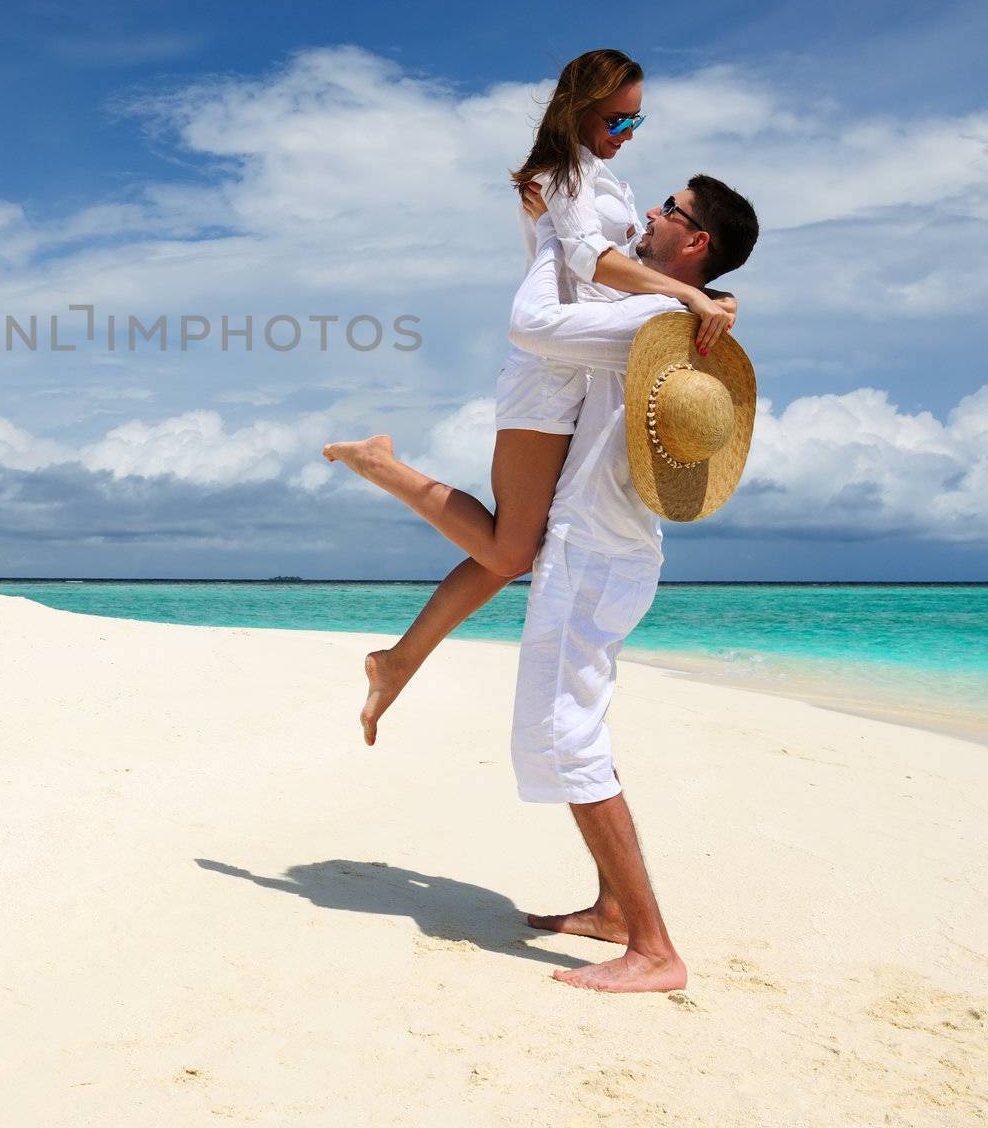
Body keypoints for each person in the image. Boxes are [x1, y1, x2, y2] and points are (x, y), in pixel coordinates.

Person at [323, 174, 760, 993]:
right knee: (568, 715)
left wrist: (557, 235)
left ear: (696, 243)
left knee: (570, 740)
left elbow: (537, 327)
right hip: (612, 552)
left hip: (593, 556)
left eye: (670, 211)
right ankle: (613, 910)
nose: (653, 216)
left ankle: (655, 949)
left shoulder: (651, 320)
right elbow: (593, 281)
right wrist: (555, 229)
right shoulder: (669, 318)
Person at [327, 50, 734, 594]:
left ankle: (396, 665)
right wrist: (690, 293)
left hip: (587, 360)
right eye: (618, 119)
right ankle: (379, 464)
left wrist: (717, 296)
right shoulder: (561, 172)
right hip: (547, 366)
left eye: (636, 119)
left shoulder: (609, 179)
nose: (629, 132)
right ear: (579, 108)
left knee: (530, 544)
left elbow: (642, 266)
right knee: (511, 549)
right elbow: (592, 260)